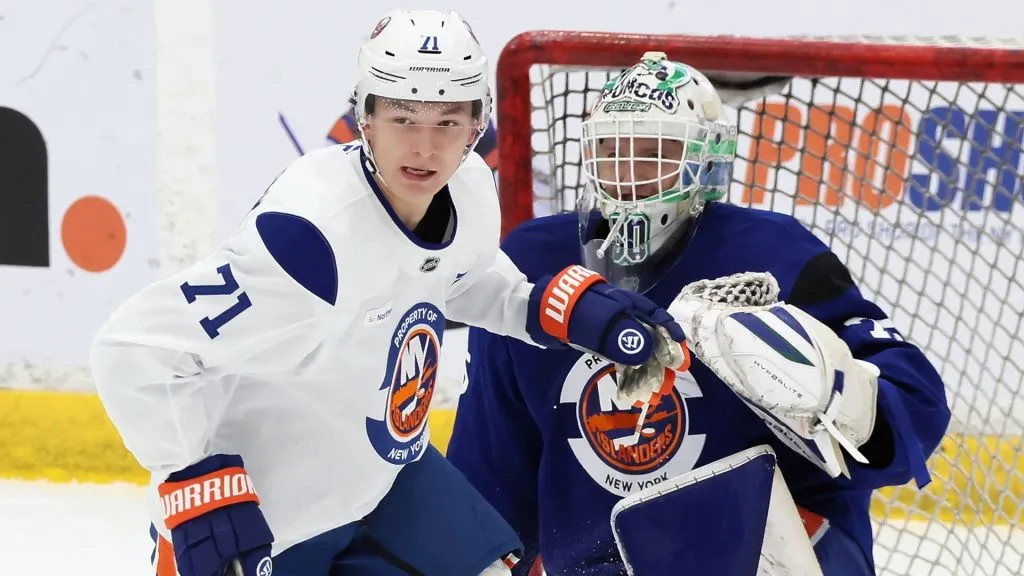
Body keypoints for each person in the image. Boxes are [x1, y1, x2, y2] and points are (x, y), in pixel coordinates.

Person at [88, 12, 684, 576]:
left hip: (385, 479)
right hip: (271, 511)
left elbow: (464, 279)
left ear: (477, 126)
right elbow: (136, 349)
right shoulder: (313, 236)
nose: (425, 147)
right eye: (403, 119)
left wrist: (551, 309)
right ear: (364, 117)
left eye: (447, 122)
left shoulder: (471, 187)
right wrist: (193, 481)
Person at [445, 53, 951, 575]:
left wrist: (846, 399)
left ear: (706, 160)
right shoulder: (533, 262)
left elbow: (914, 404)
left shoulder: (776, 253)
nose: (629, 175)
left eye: (654, 153)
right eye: (613, 151)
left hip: (774, 556)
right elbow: (492, 452)